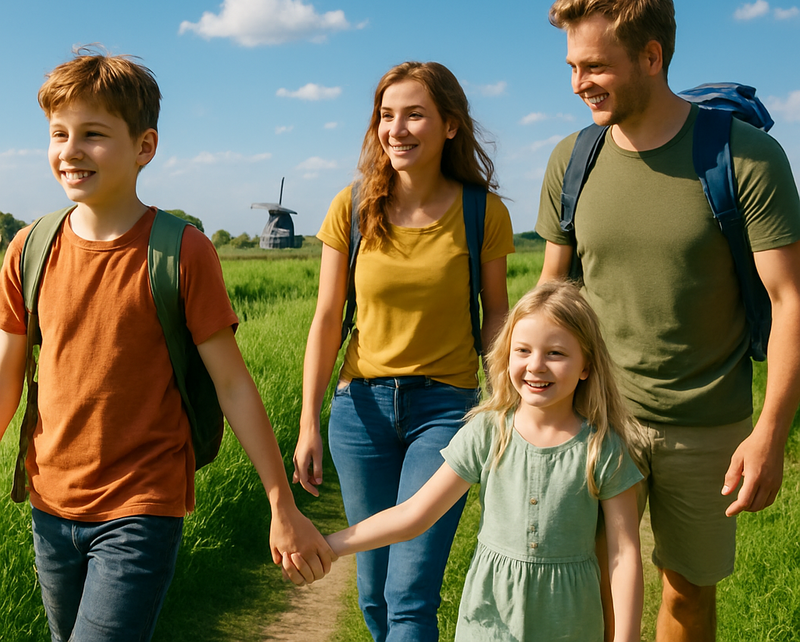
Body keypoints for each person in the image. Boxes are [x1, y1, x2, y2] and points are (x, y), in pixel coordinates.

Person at [0, 49, 334, 642]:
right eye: (58, 133)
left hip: (141, 504)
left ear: (144, 148)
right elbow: (6, 373)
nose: (70, 150)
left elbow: (232, 383)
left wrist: (281, 503)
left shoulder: (181, 251)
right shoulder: (29, 249)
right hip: (49, 501)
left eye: (94, 134)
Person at [536, 0, 800, 641]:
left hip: (705, 425)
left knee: (686, 594)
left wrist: (769, 434)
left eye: (595, 65)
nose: (577, 83)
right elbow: (551, 297)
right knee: (585, 584)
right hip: (596, 417)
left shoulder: (746, 158)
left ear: (651, 58)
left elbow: (790, 299)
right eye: (572, 65)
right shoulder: (573, 159)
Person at [292, 61, 514, 642]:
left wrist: (506, 406)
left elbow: (497, 317)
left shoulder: (481, 212)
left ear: (450, 126)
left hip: (445, 411)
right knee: (374, 594)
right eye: (386, 116)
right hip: (359, 413)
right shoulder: (353, 207)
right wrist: (308, 424)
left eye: (415, 114)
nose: (397, 128)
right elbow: (325, 320)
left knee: (409, 593)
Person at [317, 281, 643, 642]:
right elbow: (415, 515)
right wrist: (331, 545)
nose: (536, 365)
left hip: (570, 624)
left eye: (555, 354)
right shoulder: (488, 432)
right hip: (489, 624)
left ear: (586, 365)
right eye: (523, 350)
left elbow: (624, 555)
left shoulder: (603, 447)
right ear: (506, 356)